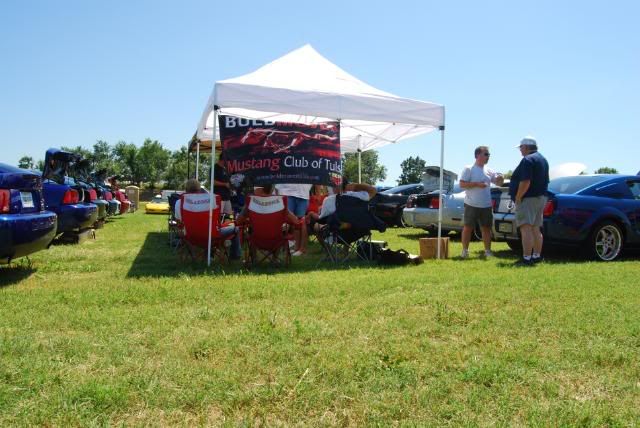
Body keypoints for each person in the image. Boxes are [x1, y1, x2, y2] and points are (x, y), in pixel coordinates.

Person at [175, 178, 241, 259]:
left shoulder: (179, 202)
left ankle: (197, 255)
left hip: (189, 235)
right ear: (199, 189)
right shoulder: (210, 201)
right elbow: (217, 219)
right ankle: (235, 256)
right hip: (210, 235)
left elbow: (179, 221)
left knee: (207, 230)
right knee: (235, 228)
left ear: (186, 189)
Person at [509, 136, 550, 266]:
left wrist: (518, 196)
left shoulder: (527, 160)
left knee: (525, 227)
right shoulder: (543, 159)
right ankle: (536, 256)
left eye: (521, 147)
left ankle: (526, 258)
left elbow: (526, 181)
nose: (520, 150)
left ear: (526, 147)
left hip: (528, 198)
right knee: (536, 228)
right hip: (541, 197)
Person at [236, 184, 308, 256]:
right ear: (272, 189)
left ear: (257, 189)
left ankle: (253, 258)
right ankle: (275, 257)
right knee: (281, 230)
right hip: (276, 239)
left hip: (256, 239)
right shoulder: (280, 202)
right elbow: (295, 221)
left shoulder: (251, 202)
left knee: (251, 230)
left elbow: (238, 221)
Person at [459, 146, 504, 258]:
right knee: (468, 227)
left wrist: (501, 178)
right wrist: (477, 184)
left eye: (488, 154)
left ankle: (487, 251)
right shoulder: (469, 168)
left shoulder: (489, 170)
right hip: (471, 204)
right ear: (477, 155)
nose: (488, 156)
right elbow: (462, 184)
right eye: (486, 154)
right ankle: (465, 251)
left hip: (486, 205)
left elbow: (499, 183)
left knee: (486, 229)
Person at [275, 183, 312, 255]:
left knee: (301, 220)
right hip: (288, 192)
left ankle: (302, 249)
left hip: (302, 193)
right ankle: (296, 248)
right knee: (292, 221)